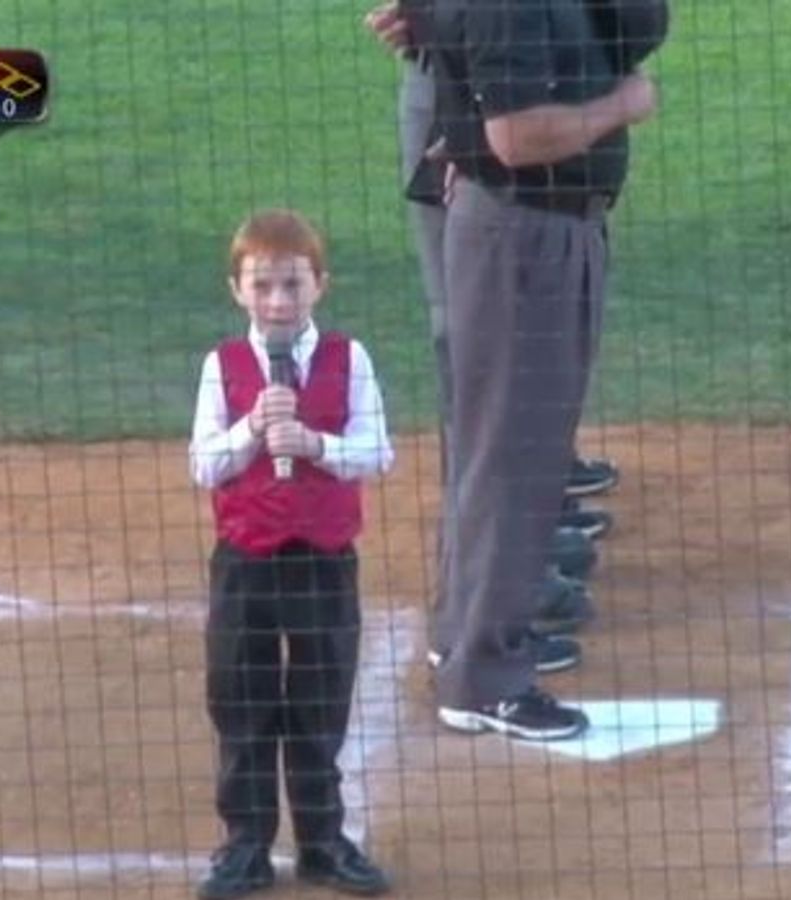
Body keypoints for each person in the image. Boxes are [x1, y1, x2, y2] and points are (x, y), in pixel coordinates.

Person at [410, 0, 660, 741]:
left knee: (506, 453)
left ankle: (468, 635)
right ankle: (484, 678)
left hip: (534, 231)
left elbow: (642, 23)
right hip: (525, 235)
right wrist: (622, 105)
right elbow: (517, 138)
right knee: (513, 461)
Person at [364, 2, 617, 654]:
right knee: (480, 361)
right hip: (472, 94)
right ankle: (492, 593)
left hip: (536, 70)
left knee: (521, 363)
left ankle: (528, 530)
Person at [188, 209, 394, 898]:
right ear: (237, 289)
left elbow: (378, 450)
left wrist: (315, 446)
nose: (278, 301)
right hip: (245, 561)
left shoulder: (350, 358)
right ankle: (245, 845)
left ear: (319, 286)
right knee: (241, 703)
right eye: (264, 285)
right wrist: (252, 429)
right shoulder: (222, 367)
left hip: (323, 561)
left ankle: (321, 842)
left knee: (319, 700)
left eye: (292, 285)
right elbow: (203, 465)